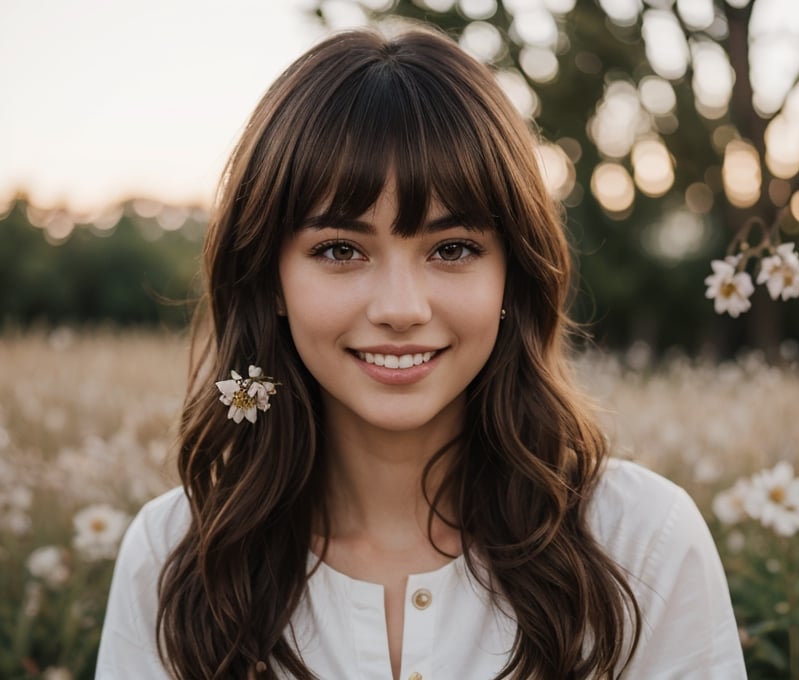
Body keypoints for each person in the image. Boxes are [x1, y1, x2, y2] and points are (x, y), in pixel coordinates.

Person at [96, 24, 746, 680]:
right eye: (340, 250)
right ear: (271, 280)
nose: (400, 308)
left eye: (452, 248)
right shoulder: (175, 557)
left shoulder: (642, 545)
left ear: (511, 275)